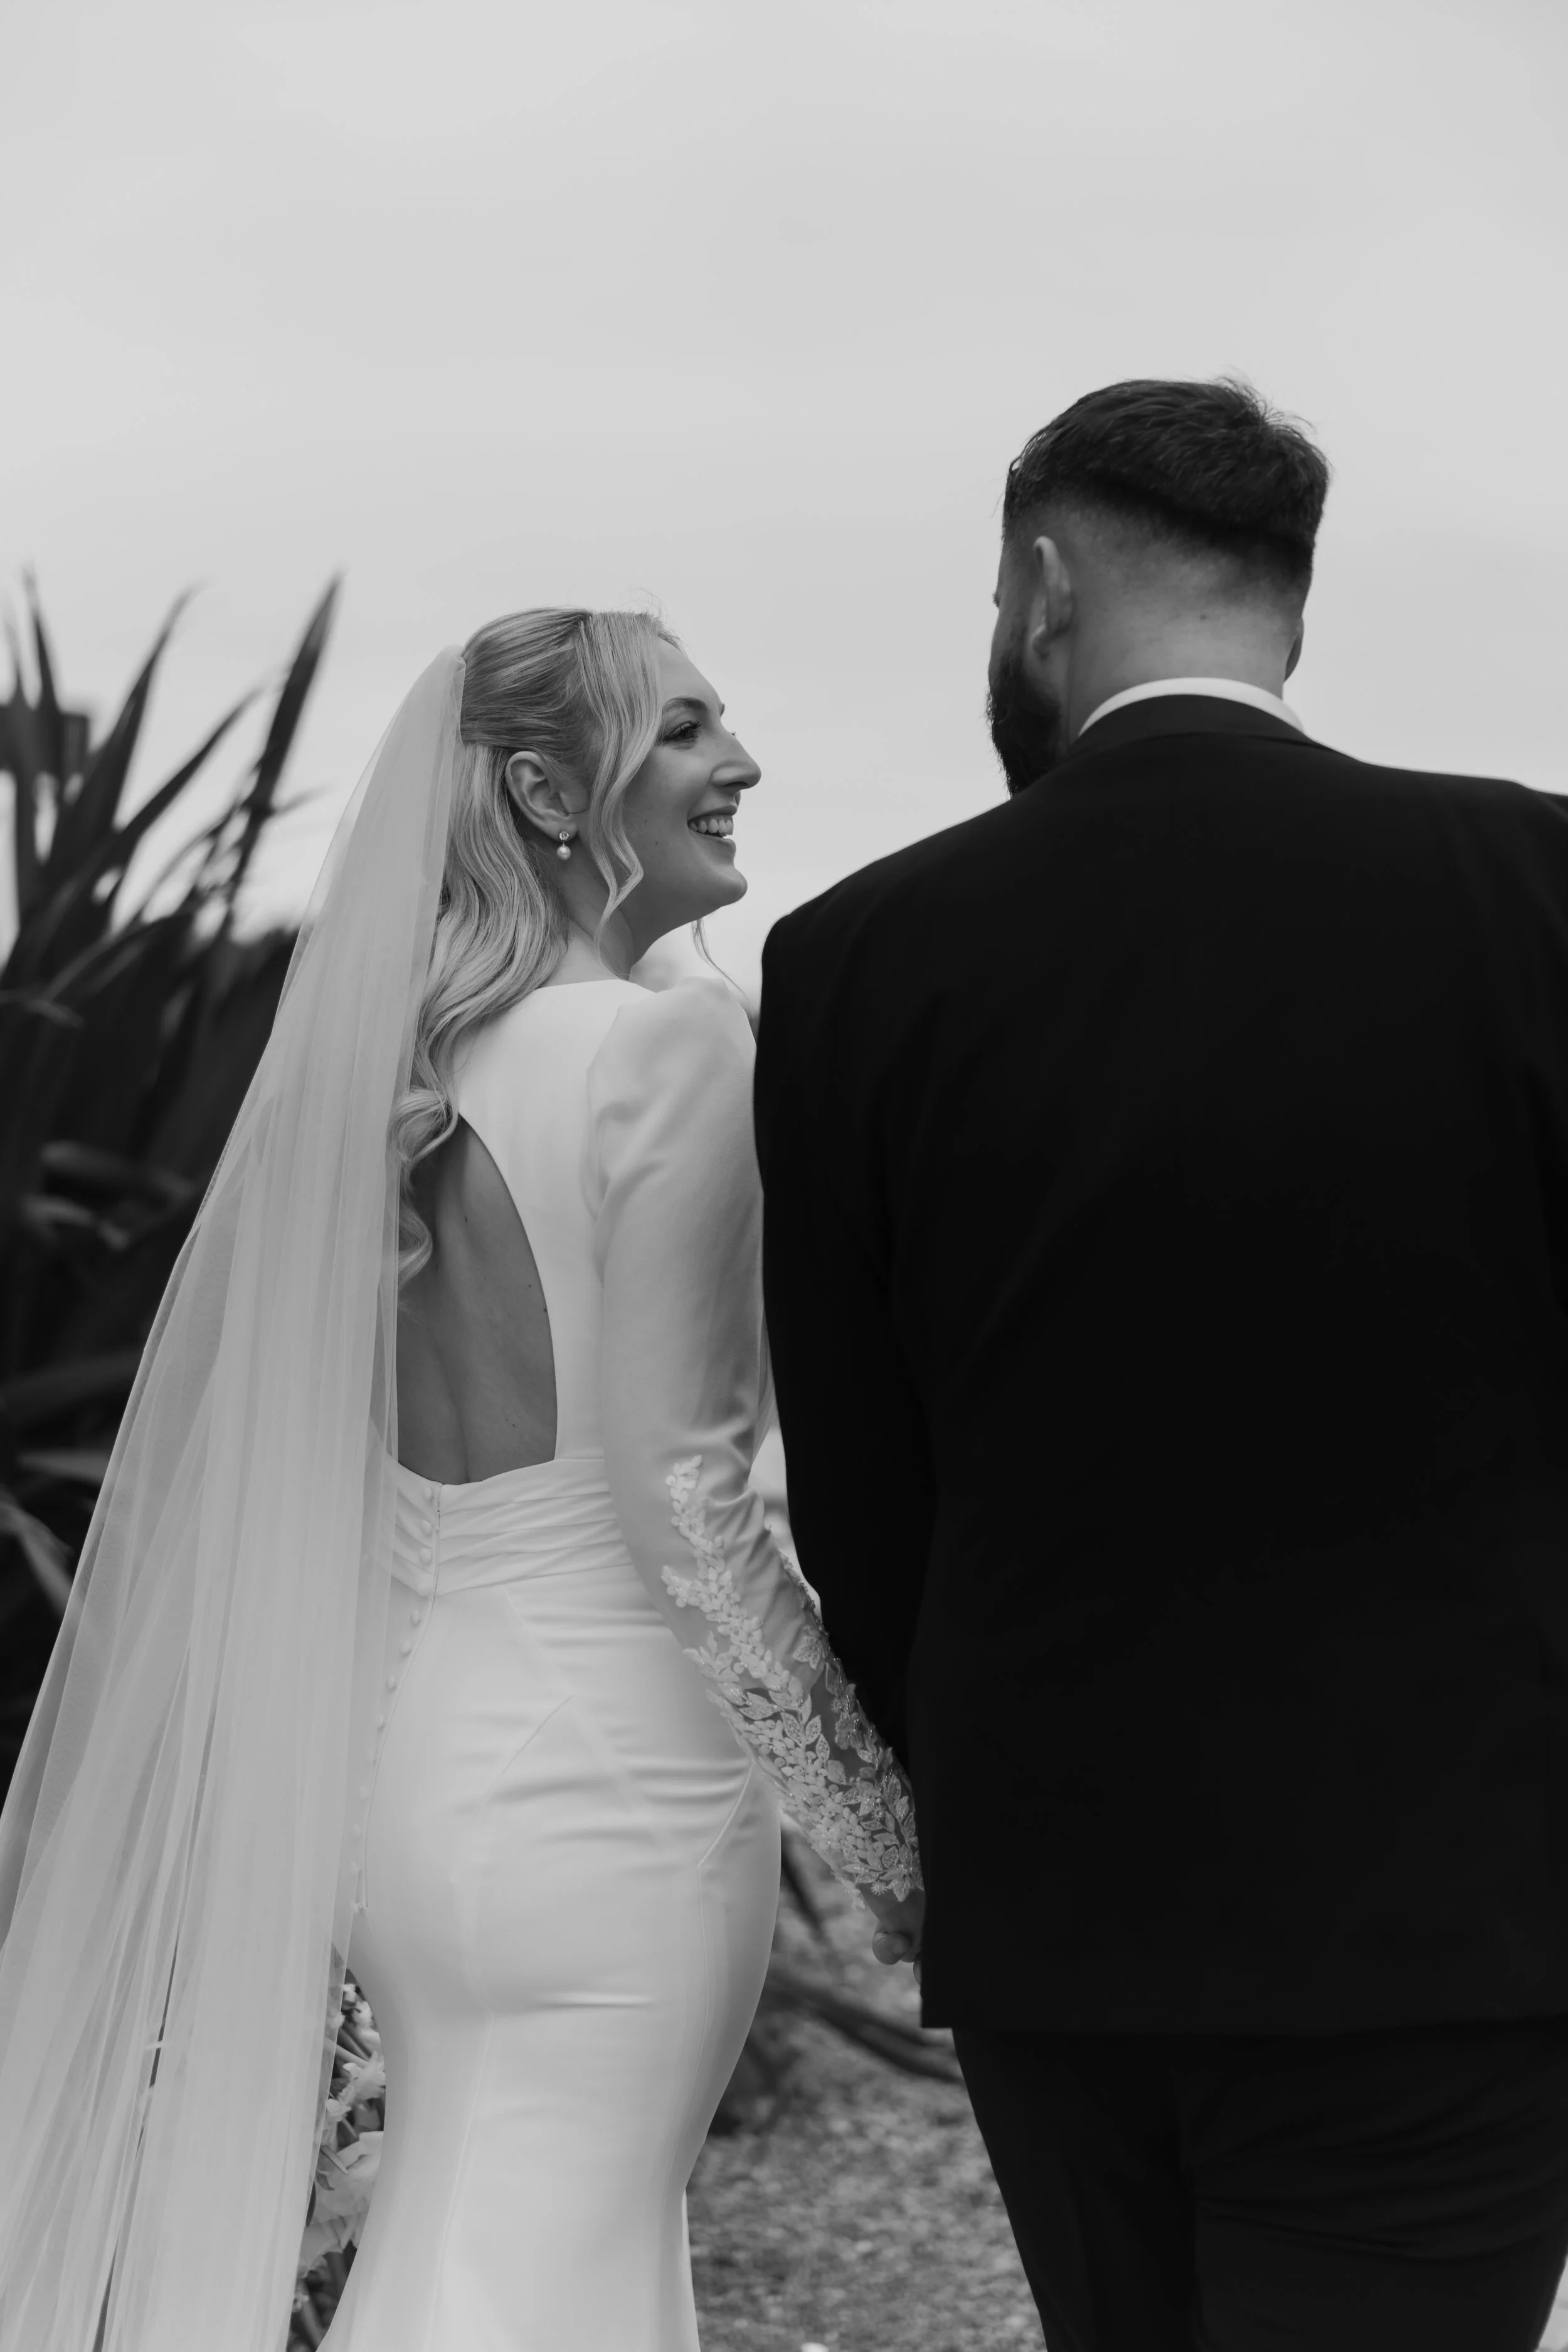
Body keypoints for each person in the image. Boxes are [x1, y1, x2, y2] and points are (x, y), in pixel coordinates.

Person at [754, 378, 1568, 2352]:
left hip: (1065, 1911)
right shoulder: (1535, 888)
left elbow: (859, 1491)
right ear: (1287, 607)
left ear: (1040, 591)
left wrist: (949, 1819)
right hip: (1458, 1904)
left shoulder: (861, 954)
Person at [0, 608, 919, 2352]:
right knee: (545, 2281)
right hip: (605, 1794)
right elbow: (687, 1506)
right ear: (542, 784)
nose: (738, 764)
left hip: (411, 1779)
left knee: (476, 2248)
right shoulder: (671, 1047)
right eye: (682, 731)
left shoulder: (404, 1074)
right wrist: (884, 1828)